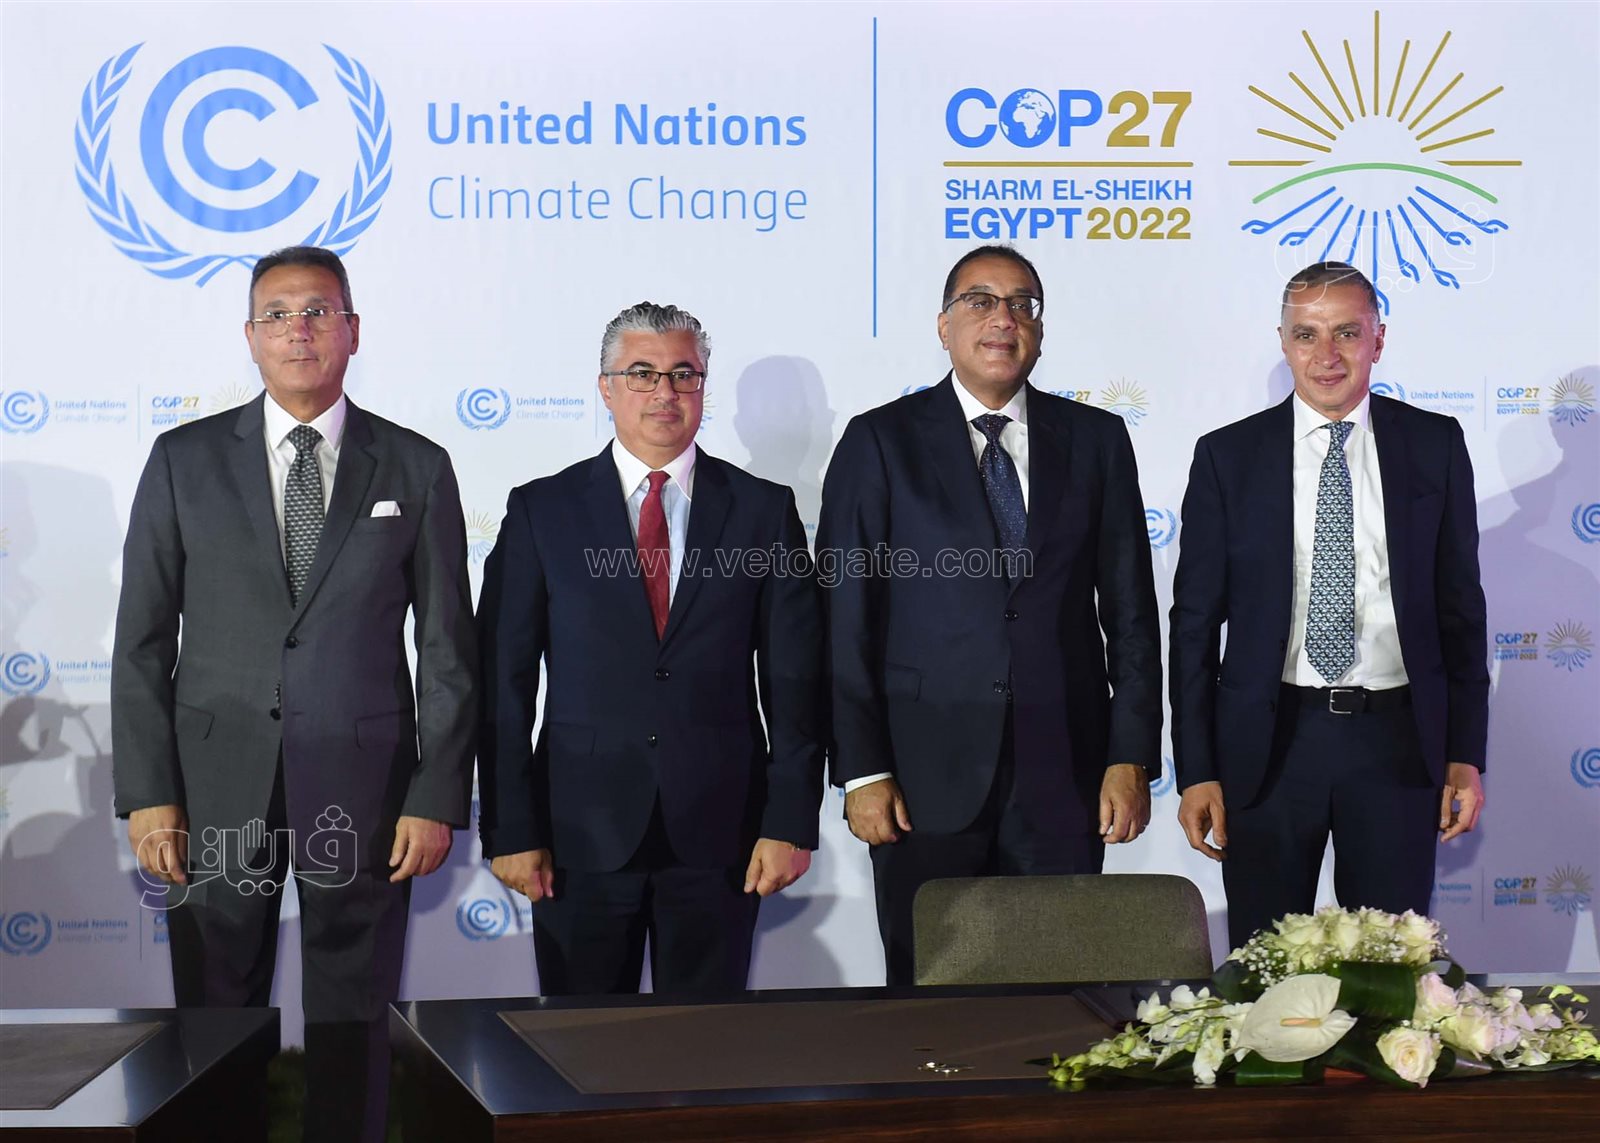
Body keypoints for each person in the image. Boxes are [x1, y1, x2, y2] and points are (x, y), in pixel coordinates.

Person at [112, 246, 477, 1143]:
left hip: (367, 786)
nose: (298, 330)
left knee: (353, 1017)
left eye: (317, 311)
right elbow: (142, 642)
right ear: (250, 336)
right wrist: (150, 792)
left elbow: (447, 654)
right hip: (213, 785)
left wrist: (435, 795)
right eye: (276, 314)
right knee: (215, 1016)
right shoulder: (183, 460)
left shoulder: (417, 465)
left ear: (352, 329)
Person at [817, 244, 1163, 986]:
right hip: (921, 779)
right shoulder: (880, 441)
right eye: (980, 301)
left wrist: (1129, 754)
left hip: (1065, 776)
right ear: (943, 325)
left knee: (1060, 997)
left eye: (1021, 304)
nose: (1003, 318)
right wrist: (863, 769)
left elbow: (1132, 613)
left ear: (1039, 329)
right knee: (929, 1001)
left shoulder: (1097, 441)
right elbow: (846, 618)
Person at [477, 301, 824, 996]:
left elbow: (796, 680)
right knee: (578, 1044)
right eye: (642, 373)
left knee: (703, 1044)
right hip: (576, 834)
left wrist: (791, 820)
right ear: (606, 388)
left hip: (723, 833)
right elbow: (501, 682)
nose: (665, 392)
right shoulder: (542, 510)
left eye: (683, 374)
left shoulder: (763, 510)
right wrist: (511, 827)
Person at [1169, 261, 1488, 949]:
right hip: (1270, 744)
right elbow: (1194, 625)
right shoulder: (1228, 456)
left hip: (1397, 743)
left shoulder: (1434, 445)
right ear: (1283, 341)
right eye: (1307, 334)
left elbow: (1461, 611)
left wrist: (1466, 752)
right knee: (1264, 965)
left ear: (1378, 339)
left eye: (1347, 332)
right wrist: (1196, 769)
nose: (1327, 355)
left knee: (1389, 966)